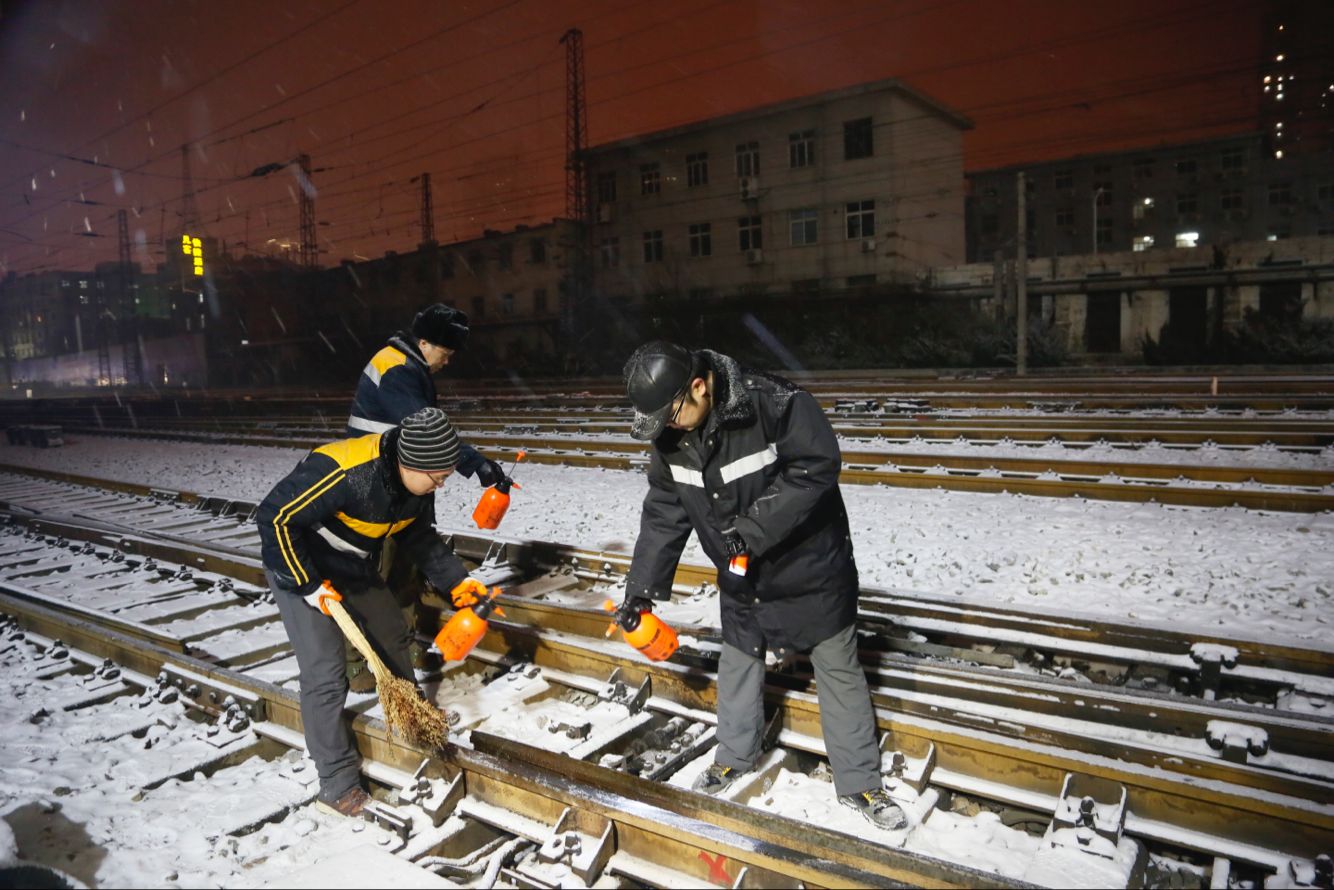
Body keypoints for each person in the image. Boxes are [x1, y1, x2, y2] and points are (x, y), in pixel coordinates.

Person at [615, 340, 906, 830]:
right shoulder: (671, 438)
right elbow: (665, 511)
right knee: (740, 657)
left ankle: (861, 783)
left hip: (810, 565)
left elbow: (816, 467)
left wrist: (750, 531)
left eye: (670, 414)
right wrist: (641, 589)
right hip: (741, 573)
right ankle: (734, 756)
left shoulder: (774, 403)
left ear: (699, 387)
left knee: (836, 665)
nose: (666, 427)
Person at [256, 407, 493, 817]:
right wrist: (308, 585)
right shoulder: (346, 470)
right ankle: (336, 781)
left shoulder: (417, 482)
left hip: (350, 562)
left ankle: (413, 716)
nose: (441, 484)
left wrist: (459, 582)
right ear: (410, 462)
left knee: (391, 633)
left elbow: (418, 534)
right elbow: (274, 518)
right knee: (327, 673)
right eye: (437, 477)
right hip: (298, 561)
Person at [344, 303, 506, 686]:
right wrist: (475, 464)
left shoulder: (408, 364)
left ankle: (401, 642)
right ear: (424, 342)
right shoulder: (396, 369)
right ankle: (358, 661)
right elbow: (425, 431)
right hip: (374, 483)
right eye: (445, 354)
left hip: (403, 478)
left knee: (405, 566)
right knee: (374, 575)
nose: (447, 362)